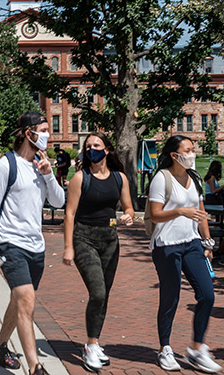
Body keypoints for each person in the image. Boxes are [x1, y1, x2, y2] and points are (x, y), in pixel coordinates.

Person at [0, 111, 65, 375]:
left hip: (36, 247)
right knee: (27, 300)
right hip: (9, 244)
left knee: (19, 301)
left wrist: (49, 174)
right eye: (44, 130)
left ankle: (0, 347)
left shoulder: (41, 165)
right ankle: (35, 367)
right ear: (29, 134)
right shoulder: (5, 166)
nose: (48, 136)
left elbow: (59, 202)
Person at [148, 135, 222, 373]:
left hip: (192, 244)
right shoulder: (162, 178)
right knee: (171, 297)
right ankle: (165, 348)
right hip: (167, 246)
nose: (192, 154)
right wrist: (180, 211)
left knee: (207, 295)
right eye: (187, 150)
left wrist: (207, 242)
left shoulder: (196, 177)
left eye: (193, 149)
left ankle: (197, 348)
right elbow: (155, 215)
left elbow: (201, 212)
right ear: (174, 155)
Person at [62, 132, 135, 372]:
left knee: (104, 295)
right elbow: (70, 213)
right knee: (98, 292)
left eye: (97, 145)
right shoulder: (80, 178)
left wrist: (128, 217)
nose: (92, 149)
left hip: (110, 240)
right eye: (88, 146)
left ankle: (95, 341)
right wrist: (69, 247)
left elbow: (129, 208)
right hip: (84, 238)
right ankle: (91, 346)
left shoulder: (119, 178)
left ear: (107, 150)